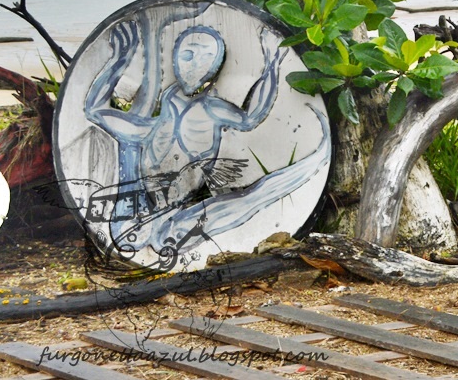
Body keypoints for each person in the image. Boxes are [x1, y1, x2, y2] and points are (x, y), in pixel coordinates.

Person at [82, 16, 326, 267]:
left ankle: (315, 160)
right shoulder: (153, 125)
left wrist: (272, 64)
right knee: (128, 158)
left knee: (246, 200)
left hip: (177, 215)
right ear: (175, 59)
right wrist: (119, 58)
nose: (194, 66)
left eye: (205, 58)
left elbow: (251, 117)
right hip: (140, 207)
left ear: (214, 66)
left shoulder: (212, 109)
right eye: (187, 56)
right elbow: (94, 111)